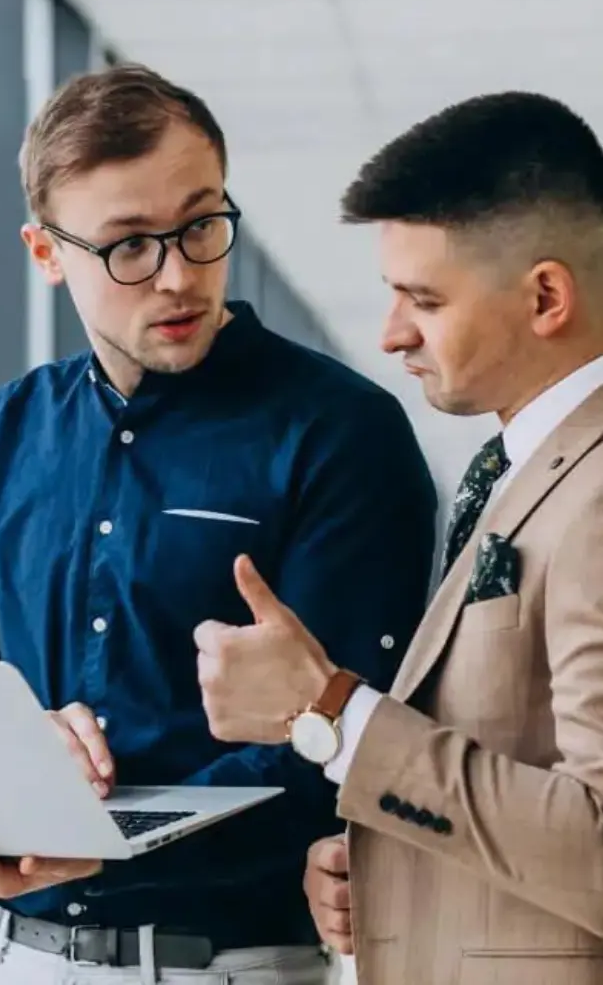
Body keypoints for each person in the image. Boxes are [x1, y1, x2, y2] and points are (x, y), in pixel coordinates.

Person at [0, 64, 436, 984]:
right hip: (8, 961)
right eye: (129, 246)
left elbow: (362, 741)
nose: (179, 275)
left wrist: (109, 841)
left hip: (227, 966)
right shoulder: (13, 423)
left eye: (201, 224)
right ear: (46, 254)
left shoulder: (337, 431)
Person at [195, 90, 603, 985]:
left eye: (423, 298)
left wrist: (332, 715)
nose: (389, 335)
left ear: (545, 296)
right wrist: (389, 862)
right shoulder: (517, 466)